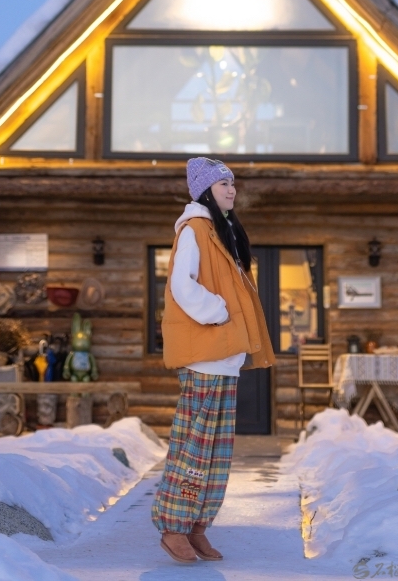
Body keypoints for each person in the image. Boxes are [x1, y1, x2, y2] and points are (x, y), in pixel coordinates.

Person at [152, 157, 275, 564]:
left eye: (233, 183)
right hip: (205, 357)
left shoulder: (222, 232)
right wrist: (217, 311)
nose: (231, 189)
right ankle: (174, 526)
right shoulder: (194, 229)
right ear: (205, 190)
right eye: (224, 184)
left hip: (225, 358)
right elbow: (181, 286)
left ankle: (197, 526)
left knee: (217, 455)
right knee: (194, 450)